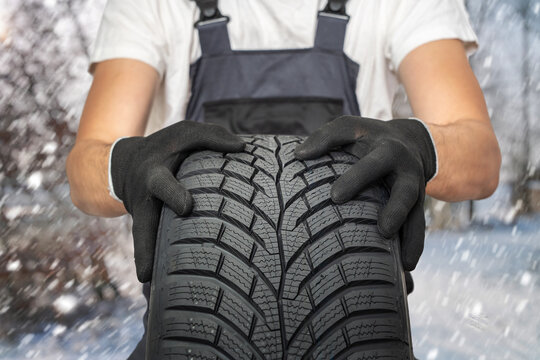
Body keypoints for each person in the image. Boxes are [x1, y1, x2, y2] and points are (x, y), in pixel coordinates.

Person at [66, 0, 501, 358]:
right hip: (191, 326)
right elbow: (86, 164)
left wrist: (423, 146)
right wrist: (123, 163)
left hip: (359, 323)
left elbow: (481, 157)